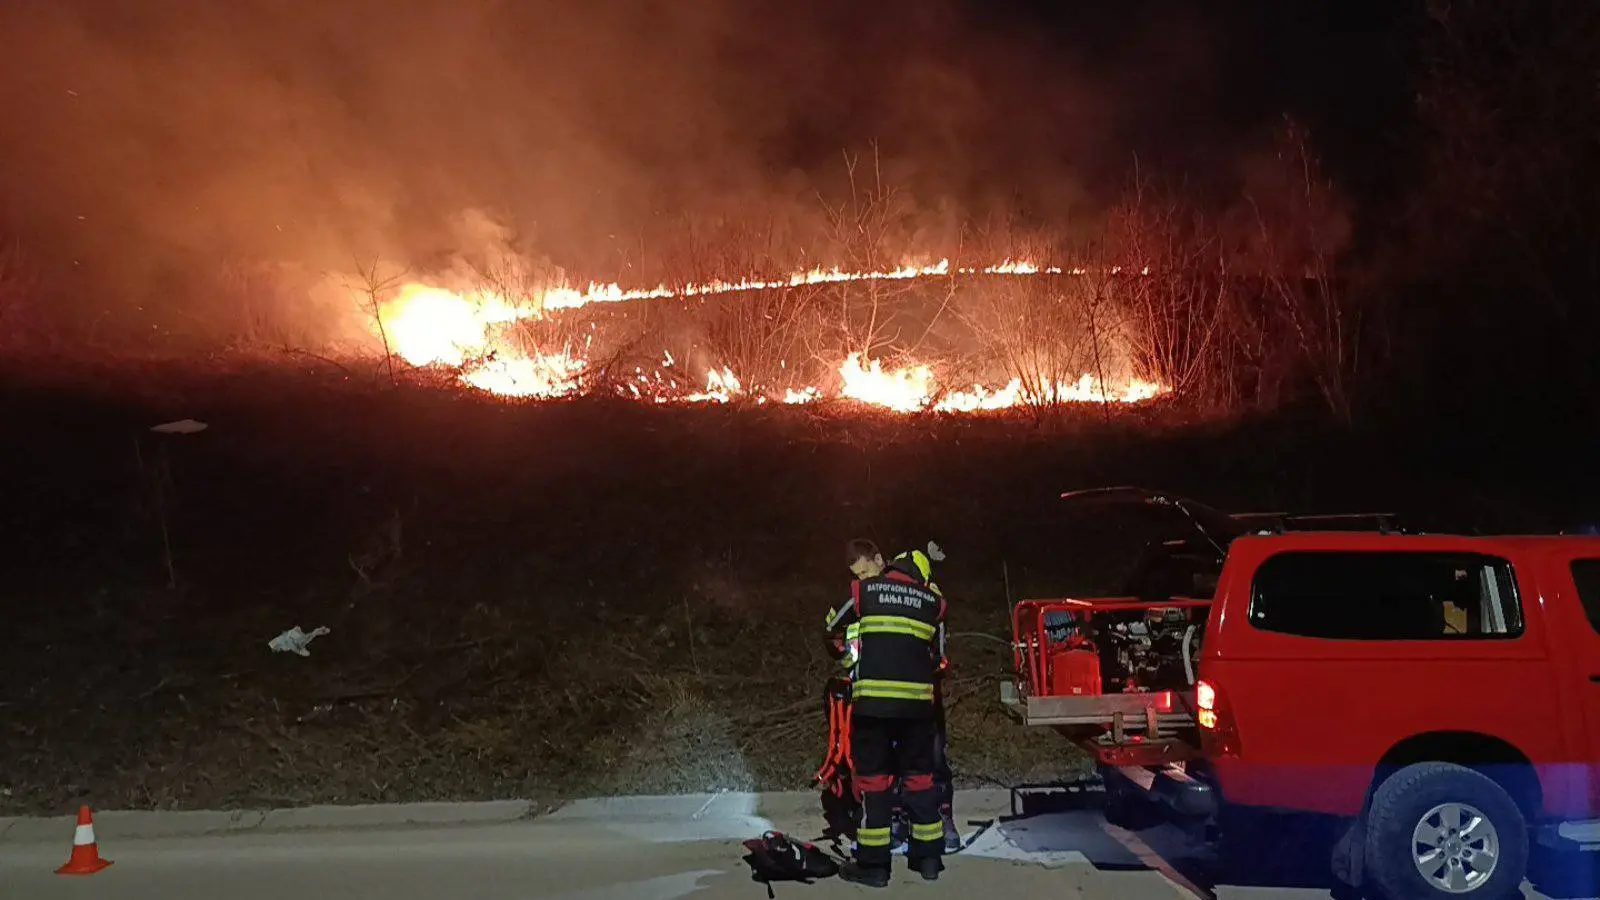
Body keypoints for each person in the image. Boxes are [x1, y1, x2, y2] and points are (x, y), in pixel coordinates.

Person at [825, 539, 948, 886]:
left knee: (875, 782)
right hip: (918, 707)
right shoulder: (932, 600)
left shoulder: (865, 592)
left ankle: (874, 866)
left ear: (887, 564)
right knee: (920, 779)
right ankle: (928, 859)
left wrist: (849, 654)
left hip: (874, 707)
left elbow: (832, 627)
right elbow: (939, 654)